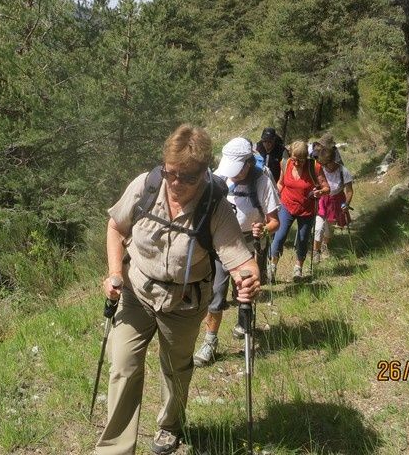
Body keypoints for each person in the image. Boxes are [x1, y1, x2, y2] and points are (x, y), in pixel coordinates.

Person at [96, 124, 261, 455]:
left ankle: (169, 426)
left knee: (176, 368)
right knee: (123, 365)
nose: (177, 184)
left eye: (188, 178)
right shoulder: (146, 185)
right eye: (171, 174)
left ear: (203, 173)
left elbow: (239, 259)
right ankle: (114, 449)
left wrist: (248, 278)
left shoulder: (214, 204)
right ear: (164, 166)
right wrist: (114, 273)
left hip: (184, 302)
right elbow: (116, 225)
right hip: (136, 291)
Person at [192, 137, 280, 367]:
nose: (234, 174)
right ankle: (210, 341)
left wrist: (263, 228)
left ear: (248, 163)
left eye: (238, 169)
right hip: (223, 244)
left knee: (245, 293)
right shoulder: (220, 179)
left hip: (250, 245)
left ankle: (244, 323)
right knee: (216, 294)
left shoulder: (262, 181)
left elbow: (275, 222)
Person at [268, 140, 329, 281]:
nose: (296, 163)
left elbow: (327, 188)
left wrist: (319, 193)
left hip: (307, 209)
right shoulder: (286, 163)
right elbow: (281, 183)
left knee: (302, 239)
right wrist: (273, 196)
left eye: (300, 160)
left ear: (306, 158)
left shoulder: (315, 167)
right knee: (279, 236)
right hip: (287, 205)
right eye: (294, 159)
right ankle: (272, 267)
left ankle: (298, 269)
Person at [314, 147, 354, 262]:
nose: (326, 167)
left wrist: (346, 203)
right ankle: (316, 252)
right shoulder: (320, 170)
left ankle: (324, 245)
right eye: (324, 164)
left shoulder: (343, 171)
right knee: (318, 228)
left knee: (329, 230)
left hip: (337, 202)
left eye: (328, 164)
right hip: (322, 200)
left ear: (333, 160)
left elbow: (349, 191)